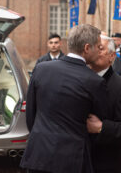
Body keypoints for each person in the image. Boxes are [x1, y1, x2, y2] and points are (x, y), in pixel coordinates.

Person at [20, 24, 108, 173]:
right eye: (98, 47)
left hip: (39, 155)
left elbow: (30, 114)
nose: (100, 51)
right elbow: (95, 122)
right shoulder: (94, 81)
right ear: (87, 48)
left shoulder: (41, 69)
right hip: (72, 160)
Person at [87, 35, 121, 173]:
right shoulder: (79, 81)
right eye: (92, 48)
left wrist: (102, 127)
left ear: (112, 56)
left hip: (105, 164)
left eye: (100, 48)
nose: (95, 52)